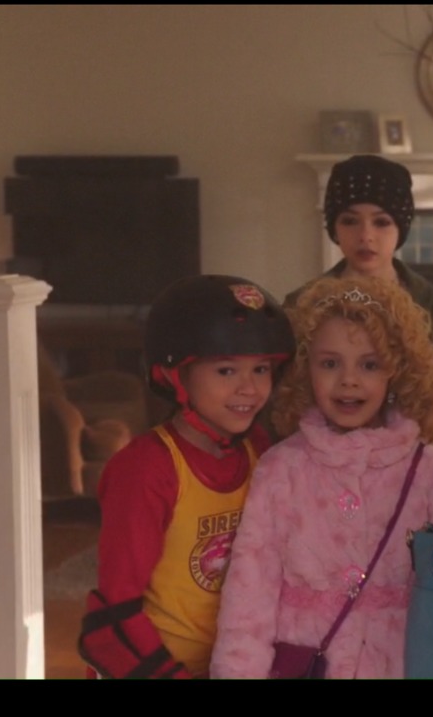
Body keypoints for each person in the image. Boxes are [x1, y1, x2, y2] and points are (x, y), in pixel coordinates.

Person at [210, 276, 433, 679]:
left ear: (396, 371)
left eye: (369, 364)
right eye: (330, 363)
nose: (348, 380)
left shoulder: (431, 471)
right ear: (304, 369)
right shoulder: (280, 468)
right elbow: (248, 596)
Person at [78, 275, 296, 678]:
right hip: (147, 667)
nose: (249, 388)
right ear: (174, 375)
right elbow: (114, 616)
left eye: (261, 369)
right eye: (226, 371)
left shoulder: (258, 448)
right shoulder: (146, 469)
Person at [285, 154, 433, 530]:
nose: (366, 236)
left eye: (381, 222)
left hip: (413, 489)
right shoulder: (302, 306)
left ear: (401, 227)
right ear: (334, 226)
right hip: (324, 489)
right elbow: (287, 410)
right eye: (350, 220)